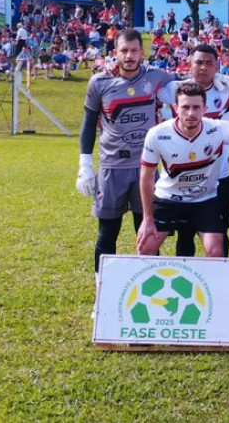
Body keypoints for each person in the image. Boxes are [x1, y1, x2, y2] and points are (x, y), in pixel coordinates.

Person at [76, 29, 177, 280]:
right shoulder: (99, 82)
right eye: (124, 50)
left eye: (134, 50)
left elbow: (188, 82)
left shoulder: (156, 77)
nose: (129, 56)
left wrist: (220, 79)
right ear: (115, 52)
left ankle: (151, 287)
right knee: (107, 233)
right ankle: (102, 288)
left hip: (146, 169)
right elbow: (88, 123)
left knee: (148, 234)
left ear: (143, 53)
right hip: (112, 168)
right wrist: (84, 164)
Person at [157, 44, 229, 258]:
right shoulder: (175, 89)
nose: (204, 67)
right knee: (185, 233)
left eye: (209, 63)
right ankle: (185, 275)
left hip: (219, 174)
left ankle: (219, 275)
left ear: (217, 66)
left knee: (219, 232)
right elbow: (148, 82)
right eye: (198, 62)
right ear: (189, 64)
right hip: (182, 173)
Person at [136, 82, 229, 257]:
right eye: (185, 107)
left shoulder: (217, 129)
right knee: (145, 248)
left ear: (205, 109)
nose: (191, 113)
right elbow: (146, 177)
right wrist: (147, 219)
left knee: (216, 251)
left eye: (196, 107)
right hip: (167, 198)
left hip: (204, 200)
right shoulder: (157, 134)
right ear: (175, 108)